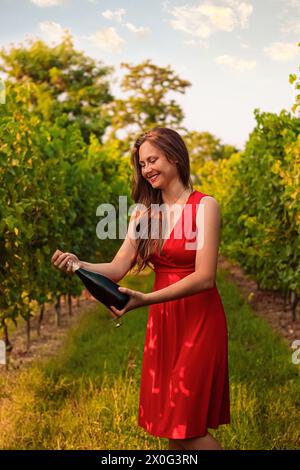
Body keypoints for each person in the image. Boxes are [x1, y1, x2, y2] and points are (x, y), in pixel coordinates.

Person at [51, 127, 230, 450]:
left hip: (199, 321)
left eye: (152, 160)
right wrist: (79, 264)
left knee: (188, 429)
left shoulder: (205, 207)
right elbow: (118, 267)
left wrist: (146, 298)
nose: (146, 170)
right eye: (142, 164)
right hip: (163, 322)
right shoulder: (144, 213)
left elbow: (205, 277)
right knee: (172, 426)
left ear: (174, 156)